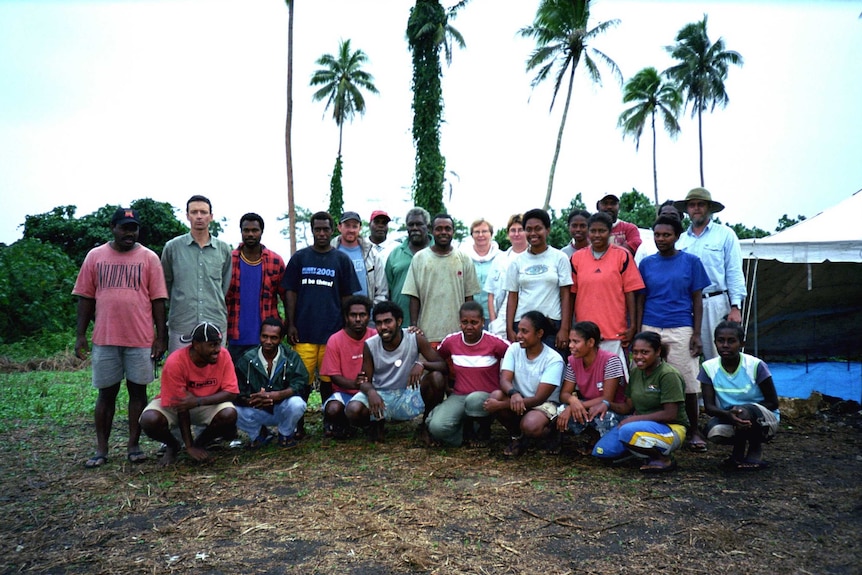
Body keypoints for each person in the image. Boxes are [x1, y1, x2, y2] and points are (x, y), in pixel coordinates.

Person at [73, 208, 168, 468]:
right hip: (105, 338)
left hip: (140, 339)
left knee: (138, 392)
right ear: (113, 228)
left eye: (134, 228)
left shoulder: (149, 258)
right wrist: (80, 335)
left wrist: (161, 337)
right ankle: (101, 448)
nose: (130, 233)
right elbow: (85, 297)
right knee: (106, 394)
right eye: (125, 228)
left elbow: (158, 300)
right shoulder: (95, 256)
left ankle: (133, 445)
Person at [637, 215, 711, 452]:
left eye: (666, 235)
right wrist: (639, 331)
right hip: (650, 325)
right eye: (657, 234)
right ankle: (652, 425)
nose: (661, 239)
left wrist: (697, 333)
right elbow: (640, 299)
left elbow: (697, 300)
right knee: (649, 377)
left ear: (677, 236)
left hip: (680, 326)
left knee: (687, 381)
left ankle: (694, 430)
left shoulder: (691, 262)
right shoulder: (646, 263)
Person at [282, 211, 361, 409]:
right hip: (303, 332)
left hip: (332, 333)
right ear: (312, 231)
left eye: (326, 229)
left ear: (332, 230)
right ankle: (297, 422)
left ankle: (330, 419)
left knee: (329, 379)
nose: (322, 233)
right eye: (317, 229)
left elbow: (347, 297)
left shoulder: (341, 260)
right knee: (301, 379)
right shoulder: (300, 258)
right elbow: (290, 293)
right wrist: (291, 324)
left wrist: (345, 327)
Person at [345, 301, 447, 442]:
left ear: (399, 321)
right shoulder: (370, 345)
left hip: (408, 394)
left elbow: (442, 365)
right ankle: (376, 424)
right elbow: (364, 380)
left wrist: (422, 364)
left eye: (388, 322)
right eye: (379, 323)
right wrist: (371, 392)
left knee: (436, 378)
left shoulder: (414, 338)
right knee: (353, 410)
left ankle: (425, 424)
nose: (383, 327)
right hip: (382, 394)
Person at [139, 322, 239, 466]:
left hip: (204, 402)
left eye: (218, 344)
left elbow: (231, 393)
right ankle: (173, 445)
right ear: (196, 345)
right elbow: (181, 406)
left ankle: (201, 443)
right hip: (177, 406)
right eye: (212, 345)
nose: (217, 349)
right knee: (149, 420)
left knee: (229, 414)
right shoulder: (175, 361)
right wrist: (188, 444)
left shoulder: (223, 355)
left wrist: (198, 401)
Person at [593, 331, 689, 473]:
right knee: (601, 451)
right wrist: (607, 404)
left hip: (671, 428)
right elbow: (627, 407)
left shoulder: (668, 375)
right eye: (635, 352)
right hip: (640, 425)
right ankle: (639, 451)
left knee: (626, 431)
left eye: (645, 352)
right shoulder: (636, 372)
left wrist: (634, 419)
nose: (638, 357)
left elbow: (671, 414)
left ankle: (663, 459)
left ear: (658, 352)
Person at [674, 187, 746, 359]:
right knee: (686, 355)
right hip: (686, 304)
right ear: (687, 210)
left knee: (719, 355)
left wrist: (736, 306)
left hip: (715, 302)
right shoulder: (681, 240)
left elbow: (734, 271)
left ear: (709, 208)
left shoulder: (725, 235)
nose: (696, 208)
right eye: (692, 205)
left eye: (701, 204)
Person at [426, 301, 510, 447]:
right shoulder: (452, 341)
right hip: (459, 395)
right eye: (465, 322)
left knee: (474, 399)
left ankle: (483, 429)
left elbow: (514, 355)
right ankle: (465, 434)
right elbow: (439, 359)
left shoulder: (494, 342)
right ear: (460, 323)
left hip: (485, 397)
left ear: (483, 322)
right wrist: (446, 385)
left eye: (474, 322)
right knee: (437, 427)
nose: (469, 327)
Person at [570, 211, 644, 377]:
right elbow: (572, 295)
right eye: (593, 231)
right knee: (589, 380)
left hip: (615, 332)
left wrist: (632, 326)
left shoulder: (622, 255)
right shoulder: (577, 258)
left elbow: (630, 292)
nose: (597, 235)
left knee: (616, 382)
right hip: (586, 333)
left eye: (602, 231)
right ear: (588, 232)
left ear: (610, 232)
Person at [700, 321, 779, 470]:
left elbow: (773, 402)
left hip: (763, 419)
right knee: (713, 431)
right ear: (714, 342)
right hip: (729, 415)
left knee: (742, 413)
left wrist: (745, 411)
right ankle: (738, 449)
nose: (725, 345)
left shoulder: (755, 365)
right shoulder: (708, 367)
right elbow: (709, 407)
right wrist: (728, 414)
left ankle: (754, 449)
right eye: (720, 340)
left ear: (742, 343)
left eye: (731, 341)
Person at [483, 311, 564, 456]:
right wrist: (513, 393)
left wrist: (501, 405)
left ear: (539, 333)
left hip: (543, 404)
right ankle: (517, 437)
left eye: (524, 331)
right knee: (496, 395)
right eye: (518, 330)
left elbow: (538, 398)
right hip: (519, 398)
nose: (518, 335)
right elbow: (505, 379)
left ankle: (552, 432)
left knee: (530, 425)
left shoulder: (554, 360)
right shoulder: (514, 349)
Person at [161, 195, 232, 354]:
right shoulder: (172, 248)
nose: (199, 216)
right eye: (194, 212)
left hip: (215, 321)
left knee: (213, 374)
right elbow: (165, 284)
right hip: (182, 323)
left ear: (211, 217)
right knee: (179, 371)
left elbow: (224, 286)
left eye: (203, 212)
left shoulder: (223, 250)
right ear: (187, 216)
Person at [402, 213, 480, 344]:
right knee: (428, 365)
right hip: (427, 334)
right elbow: (414, 296)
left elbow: (469, 297)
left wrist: (467, 328)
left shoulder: (464, 259)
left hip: (457, 334)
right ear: (432, 231)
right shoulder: (420, 258)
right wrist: (415, 326)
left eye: (447, 228)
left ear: (453, 231)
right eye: (439, 229)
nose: (443, 232)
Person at [504, 208, 572, 355]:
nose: (533, 233)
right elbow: (512, 296)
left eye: (538, 228)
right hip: (522, 326)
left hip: (551, 325)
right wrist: (509, 328)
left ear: (547, 230)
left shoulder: (560, 258)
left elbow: (566, 294)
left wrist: (564, 329)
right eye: (528, 229)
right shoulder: (517, 262)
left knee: (553, 371)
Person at [234, 317, 309, 449]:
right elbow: (237, 390)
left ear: (281, 339)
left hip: (281, 408)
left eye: (273, 338)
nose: (268, 341)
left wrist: (279, 395)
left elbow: (301, 382)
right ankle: (257, 434)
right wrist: (252, 400)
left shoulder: (291, 357)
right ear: (259, 336)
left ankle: (285, 433)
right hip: (256, 409)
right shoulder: (246, 359)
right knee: (231, 410)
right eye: (264, 336)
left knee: (298, 403)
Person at [225, 213, 287, 364]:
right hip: (235, 336)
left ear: (261, 232)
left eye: (255, 230)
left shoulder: (275, 261)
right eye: (246, 230)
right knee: (237, 384)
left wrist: (288, 324)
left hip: (267, 338)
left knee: (265, 384)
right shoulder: (229, 260)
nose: (250, 234)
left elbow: (286, 296)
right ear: (241, 232)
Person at [556, 321, 626, 453]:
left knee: (602, 415)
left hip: (611, 409)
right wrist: (573, 401)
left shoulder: (611, 360)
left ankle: (605, 442)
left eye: (576, 342)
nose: (571, 345)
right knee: (560, 411)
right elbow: (565, 393)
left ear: (591, 342)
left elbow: (607, 398)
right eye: (570, 341)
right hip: (589, 405)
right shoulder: (573, 360)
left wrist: (574, 407)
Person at [320, 295, 376, 439]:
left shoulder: (376, 336)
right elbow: (334, 376)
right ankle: (343, 423)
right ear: (346, 317)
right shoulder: (335, 340)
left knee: (361, 410)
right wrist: (355, 384)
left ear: (368, 316)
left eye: (362, 315)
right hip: (344, 392)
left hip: (370, 391)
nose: (358, 319)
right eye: (353, 315)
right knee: (332, 409)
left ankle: (365, 423)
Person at [485, 214, 528, 338]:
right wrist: (493, 321)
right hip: (502, 313)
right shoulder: (500, 259)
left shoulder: (533, 257)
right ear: (508, 234)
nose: (516, 234)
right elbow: (491, 293)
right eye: (513, 230)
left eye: (520, 230)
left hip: (526, 309)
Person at [385, 207, 431, 321]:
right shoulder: (395, 254)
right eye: (411, 224)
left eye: (419, 224)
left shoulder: (439, 251)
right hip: (401, 321)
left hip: (431, 322)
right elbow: (387, 290)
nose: (415, 228)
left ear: (428, 227)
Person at [331, 210, 388, 303]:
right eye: (347, 226)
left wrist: (372, 312)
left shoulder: (372, 254)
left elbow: (382, 291)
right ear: (339, 227)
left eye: (354, 226)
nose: (351, 230)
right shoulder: (331, 252)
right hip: (337, 312)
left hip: (365, 314)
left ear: (360, 228)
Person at [461, 218, 501, 325]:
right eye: (477, 232)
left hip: (494, 315)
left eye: (484, 231)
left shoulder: (501, 258)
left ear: (491, 234)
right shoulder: (463, 258)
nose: (480, 235)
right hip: (469, 316)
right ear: (472, 235)